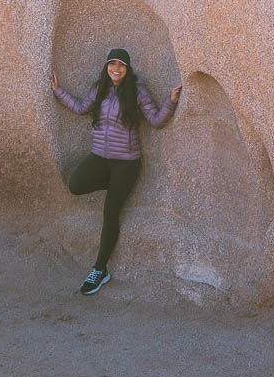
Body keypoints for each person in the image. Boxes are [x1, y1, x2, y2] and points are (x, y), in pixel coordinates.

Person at [51, 48, 181, 295]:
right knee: (76, 184)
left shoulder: (137, 91)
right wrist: (58, 92)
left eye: (121, 65)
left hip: (126, 162)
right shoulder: (99, 88)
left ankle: (99, 270)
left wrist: (171, 101)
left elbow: (154, 120)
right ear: (107, 67)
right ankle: (115, 187)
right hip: (100, 157)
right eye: (112, 64)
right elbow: (80, 108)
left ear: (127, 69)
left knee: (110, 213)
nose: (116, 69)